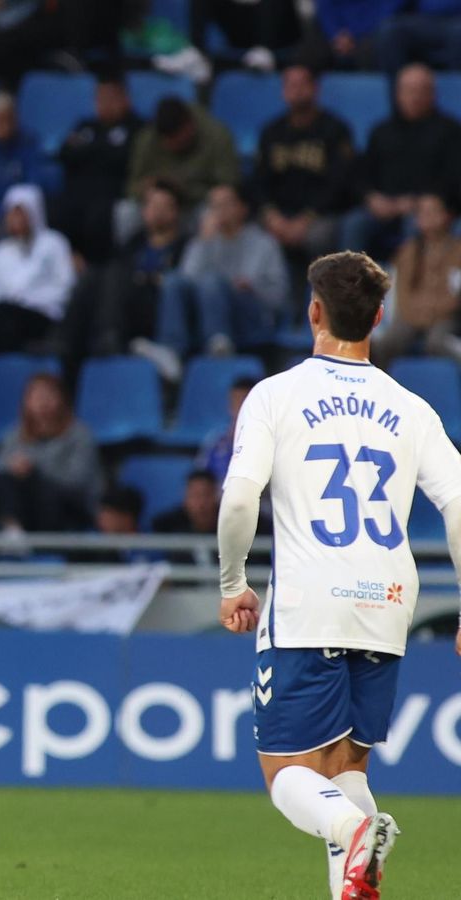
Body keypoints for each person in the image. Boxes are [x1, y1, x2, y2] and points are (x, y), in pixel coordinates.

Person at [216, 251, 461, 899]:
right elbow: (460, 500)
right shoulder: (411, 408)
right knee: (347, 768)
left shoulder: (275, 396)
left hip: (310, 600)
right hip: (387, 600)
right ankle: (354, 871)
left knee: (286, 774)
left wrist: (232, 583)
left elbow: (239, 500)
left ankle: (357, 831)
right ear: (379, 318)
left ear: (314, 312)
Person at [144, 184, 288, 377]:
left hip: (250, 314)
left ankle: (218, 345)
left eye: (226, 204)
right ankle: (171, 350)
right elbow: (186, 281)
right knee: (172, 280)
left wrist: (252, 287)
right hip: (205, 314)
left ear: (242, 208)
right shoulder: (204, 240)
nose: (219, 211)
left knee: (211, 281)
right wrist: (203, 242)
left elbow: (279, 298)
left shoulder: (263, 243)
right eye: (214, 206)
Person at [342, 64, 461, 259]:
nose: (415, 97)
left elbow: (453, 179)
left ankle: (411, 279)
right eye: (409, 90)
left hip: (424, 208)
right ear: (397, 94)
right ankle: (350, 278)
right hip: (383, 209)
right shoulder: (381, 131)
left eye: (421, 91)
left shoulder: (451, 131)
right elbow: (362, 175)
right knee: (354, 223)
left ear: (432, 94)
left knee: (417, 223)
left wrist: (423, 201)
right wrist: (371, 198)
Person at [68, 179, 186, 368]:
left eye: (164, 206)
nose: (157, 211)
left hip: (159, 306)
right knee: (94, 276)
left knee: (115, 279)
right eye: (152, 205)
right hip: (128, 306)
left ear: (176, 211)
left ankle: (111, 338)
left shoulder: (184, 245)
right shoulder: (134, 243)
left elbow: (180, 284)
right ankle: (69, 346)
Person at [0, 372, 101, 538]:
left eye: (49, 395)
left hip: (66, 507)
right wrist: (15, 469)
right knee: (3, 480)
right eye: (37, 396)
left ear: (62, 399)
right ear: (26, 401)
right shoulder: (14, 434)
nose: (43, 402)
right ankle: (10, 528)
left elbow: (77, 482)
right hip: (25, 506)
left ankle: (10, 529)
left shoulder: (79, 435)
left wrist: (34, 471)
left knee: (28, 481)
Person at [254, 66, 355, 266]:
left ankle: (320, 286)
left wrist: (306, 219)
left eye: (302, 85)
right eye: (291, 85)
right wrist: (272, 216)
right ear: (283, 92)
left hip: (321, 214)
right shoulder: (271, 131)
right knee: (251, 232)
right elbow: (259, 181)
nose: (297, 91)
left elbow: (339, 184)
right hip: (280, 213)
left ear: (315, 89)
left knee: (318, 236)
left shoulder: (335, 129)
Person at [0, 184, 75, 360]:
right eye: (11, 213)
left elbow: (66, 287)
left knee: (7, 315)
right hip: (6, 316)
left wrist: (27, 299)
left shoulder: (54, 243)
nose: (15, 219)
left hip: (46, 315)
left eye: (21, 213)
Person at [56, 71, 142, 264]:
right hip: (77, 197)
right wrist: (102, 149)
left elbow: (122, 159)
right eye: (100, 98)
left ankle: (98, 267)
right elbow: (65, 153)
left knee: (98, 217)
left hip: (112, 198)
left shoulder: (137, 128)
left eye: (110, 98)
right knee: (57, 210)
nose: (104, 104)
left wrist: (89, 149)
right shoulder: (86, 125)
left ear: (125, 99)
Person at [375, 192, 461, 365]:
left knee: (437, 342)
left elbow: (456, 296)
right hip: (411, 316)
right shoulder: (408, 251)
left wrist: (433, 309)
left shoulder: (458, 251)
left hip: (446, 317)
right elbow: (402, 292)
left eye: (432, 211)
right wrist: (418, 312)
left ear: (446, 215)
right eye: (422, 212)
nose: (426, 217)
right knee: (385, 344)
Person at [125, 98, 241, 218]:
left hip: (199, 202)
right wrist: (149, 189)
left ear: (189, 127)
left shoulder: (217, 136)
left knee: (214, 211)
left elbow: (228, 185)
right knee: (126, 212)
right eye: (168, 144)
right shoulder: (146, 140)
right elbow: (131, 187)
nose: (173, 147)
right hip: (158, 201)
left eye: (178, 142)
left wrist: (186, 190)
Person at [197, 377, 256, 483]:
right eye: (235, 401)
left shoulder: (269, 443)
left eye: (243, 401)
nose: (238, 407)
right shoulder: (215, 442)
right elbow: (200, 478)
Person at [376, 2, 461, 74]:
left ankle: (457, 86)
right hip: (424, 20)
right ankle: (401, 87)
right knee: (391, 30)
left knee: (458, 33)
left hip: (456, 21)